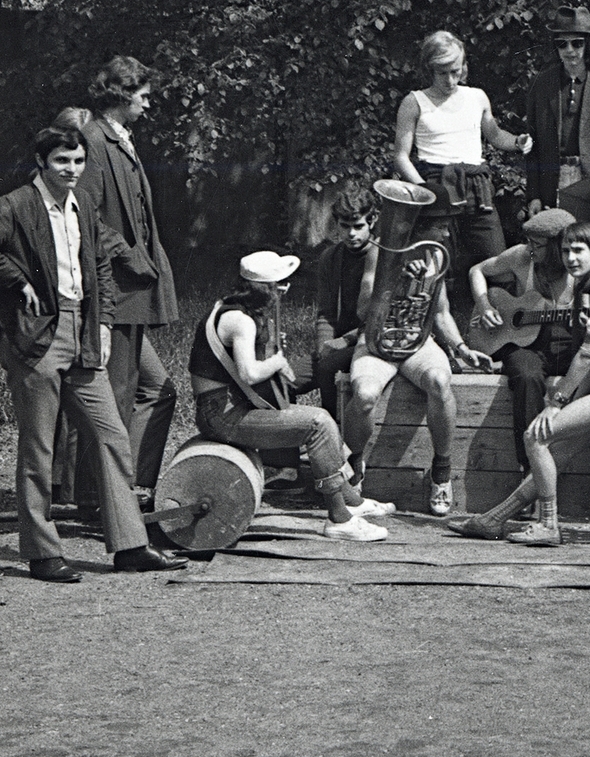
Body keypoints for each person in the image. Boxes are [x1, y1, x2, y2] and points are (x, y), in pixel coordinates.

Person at [0, 125, 187, 581]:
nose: (71, 169)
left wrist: (101, 323)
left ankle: (129, 546)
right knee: (38, 447)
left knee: (111, 436)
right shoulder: (17, 204)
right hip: (35, 336)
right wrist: (18, 281)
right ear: (42, 162)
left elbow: (99, 261)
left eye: (78, 161)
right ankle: (43, 553)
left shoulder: (81, 206)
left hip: (81, 332)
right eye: (62, 161)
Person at [450, 221, 590, 545]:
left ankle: (548, 525)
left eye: (579, 250)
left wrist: (556, 402)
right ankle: (492, 520)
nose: (571, 258)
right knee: (554, 453)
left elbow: (588, 355)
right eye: (566, 251)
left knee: (535, 436)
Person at [189, 251, 393, 541]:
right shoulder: (241, 321)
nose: (284, 291)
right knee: (318, 424)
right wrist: (277, 361)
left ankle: (352, 501)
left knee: (321, 421)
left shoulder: (232, 309)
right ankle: (339, 519)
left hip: (223, 409)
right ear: (266, 288)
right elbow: (248, 374)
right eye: (280, 286)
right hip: (223, 416)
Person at [50, 59, 180, 508]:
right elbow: (83, 213)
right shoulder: (93, 140)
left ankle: (123, 486)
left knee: (153, 390)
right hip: (113, 292)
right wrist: (128, 255)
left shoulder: (118, 140)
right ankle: (97, 498)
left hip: (133, 292)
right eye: (143, 94)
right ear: (122, 94)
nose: (149, 102)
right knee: (116, 397)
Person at [467, 207, 590, 516]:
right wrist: (483, 303)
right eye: (529, 242)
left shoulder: (582, 268)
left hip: (571, 344)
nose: (531, 250)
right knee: (525, 375)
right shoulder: (523, 257)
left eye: (538, 244)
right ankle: (528, 470)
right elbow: (477, 271)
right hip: (527, 345)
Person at [340, 217, 494, 516]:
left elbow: (441, 313)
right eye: (441, 225)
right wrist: (394, 276)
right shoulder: (380, 251)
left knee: (439, 381)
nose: (447, 231)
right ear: (421, 226)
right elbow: (362, 310)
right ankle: (354, 463)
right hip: (377, 340)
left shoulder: (436, 254)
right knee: (365, 394)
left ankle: (442, 470)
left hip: (416, 342)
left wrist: (462, 349)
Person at [393, 30, 532, 287]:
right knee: (431, 271)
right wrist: (425, 190)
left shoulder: (476, 97)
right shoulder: (414, 102)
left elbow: (494, 134)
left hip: (476, 188)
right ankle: (429, 322)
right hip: (435, 184)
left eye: (455, 71)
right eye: (442, 72)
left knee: (498, 265)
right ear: (429, 69)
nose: (450, 79)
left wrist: (516, 141)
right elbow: (401, 157)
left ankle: (500, 320)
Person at [525, 6, 590, 214]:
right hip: (553, 182)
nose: (570, 50)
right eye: (562, 44)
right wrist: (534, 196)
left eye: (577, 43)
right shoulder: (541, 84)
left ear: (588, 44)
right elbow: (533, 146)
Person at [311, 181, 377, 419]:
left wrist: (346, 341)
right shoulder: (330, 257)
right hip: (340, 342)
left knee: (328, 368)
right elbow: (326, 312)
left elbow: (382, 317)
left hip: (370, 341)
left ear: (372, 221)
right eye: (344, 226)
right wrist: (323, 347)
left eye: (358, 226)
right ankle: (283, 453)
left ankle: (334, 433)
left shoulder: (383, 256)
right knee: (284, 378)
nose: (351, 234)